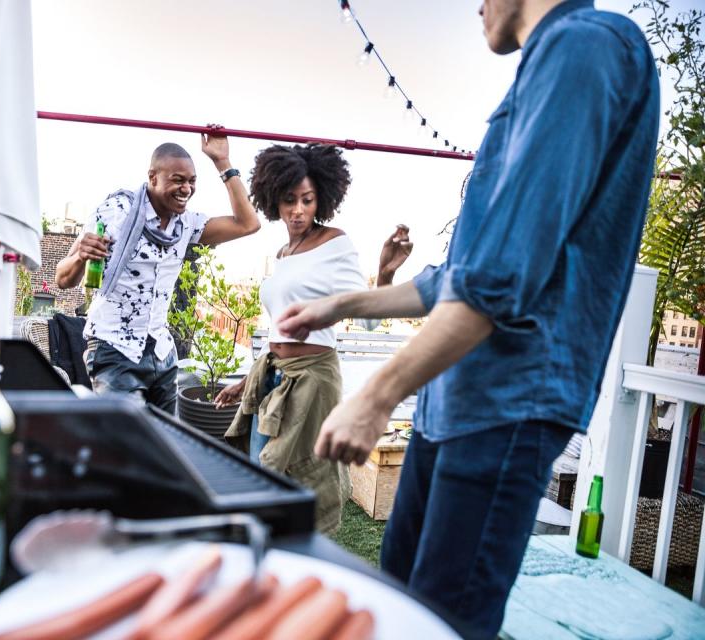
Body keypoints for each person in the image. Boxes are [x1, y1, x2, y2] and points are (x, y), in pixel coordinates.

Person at [275, 1, 659, 636]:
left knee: (443, 622)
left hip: (509, 404)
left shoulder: (585, 46)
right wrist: (342, 304)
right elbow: (461, 274)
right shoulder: (546, 68)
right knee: (398, 603)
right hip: (452, 403)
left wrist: (376, 395)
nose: (475, 5)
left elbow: (498, 281)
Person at [216, 143, 412, 534]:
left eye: (307, 199)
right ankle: (266, 563)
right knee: (261, 474)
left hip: (312, 381)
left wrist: (384, 275)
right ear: (274, 199)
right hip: (272, 377)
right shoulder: (285, 252)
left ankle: (298, 565)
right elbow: (277, 331)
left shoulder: (335, 243)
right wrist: (245, 382)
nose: (298, 210)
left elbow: (366, 317)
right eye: (289, 200)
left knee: (301, 479)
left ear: (322, 197)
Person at [55, 128, 260, 412]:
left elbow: (247, 223)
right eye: (177, 180)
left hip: (162, 353)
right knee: (126, 443)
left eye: (191, 181)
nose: (186, 188)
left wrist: (222, 162)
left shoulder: (186, 225)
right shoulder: (116, 211)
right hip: (114, 349)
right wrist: (81, 258)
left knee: (163, 442)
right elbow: (62, 278)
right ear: (153, 177)